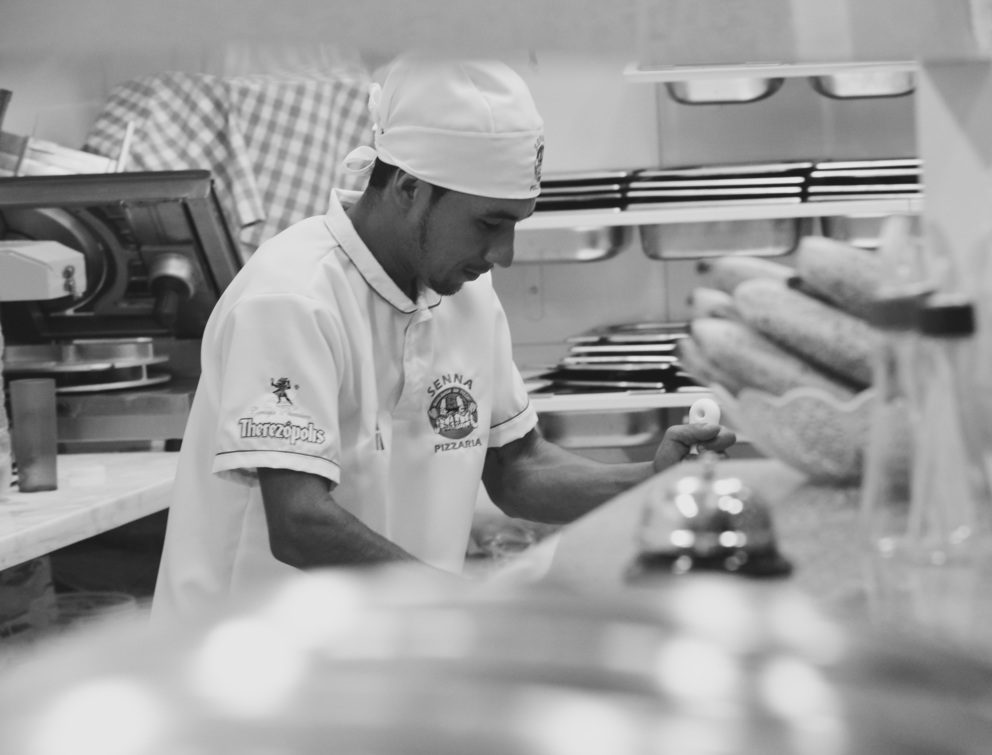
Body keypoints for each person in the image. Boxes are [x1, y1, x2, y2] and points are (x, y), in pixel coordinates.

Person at [152, 56, 735, 626]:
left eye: (516, 224)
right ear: (410, 189)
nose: (504, 254)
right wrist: (467, 610)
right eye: (489, 224)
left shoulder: (466, 295)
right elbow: (300, 524)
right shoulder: (292, 297)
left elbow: (518, 468)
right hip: (243, 660)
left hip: (384, 648)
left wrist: (651, 480)